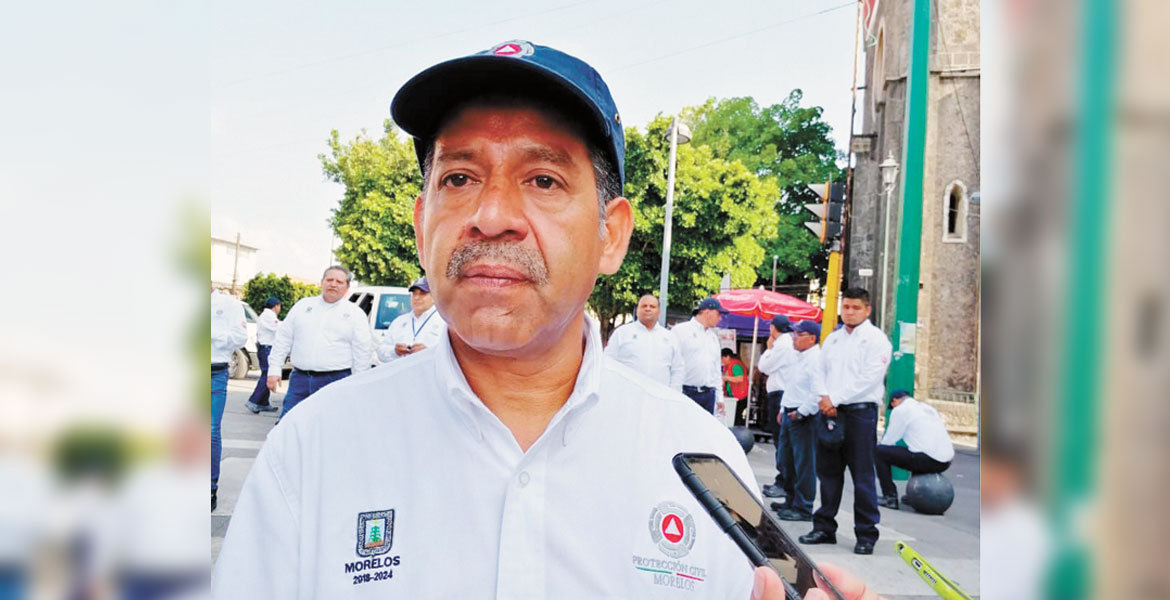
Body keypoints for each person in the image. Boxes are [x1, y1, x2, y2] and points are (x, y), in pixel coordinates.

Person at [214, 40, 775, 598]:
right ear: (422, 225)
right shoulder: (314, 447)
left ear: (612, 236)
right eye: (459, 178)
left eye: (544, 180)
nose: (492, 216)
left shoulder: (702, 462)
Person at [799, 287, 892, 555]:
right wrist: (823, 397)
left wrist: (835, 399)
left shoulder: (877, 341)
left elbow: (869, 379)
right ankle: (824, 527)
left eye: (855, 308)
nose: (849, 312)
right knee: (828, 473)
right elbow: (819, 371)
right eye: (846, 307)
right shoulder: (833, 339)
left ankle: (866, 534)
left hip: (860, 414)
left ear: (867, 310)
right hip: (830, 412)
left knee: (862, 475)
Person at [265, 266, 372, 420]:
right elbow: (283, 338)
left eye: (339, 282)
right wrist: (274, 369)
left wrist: (357, 384)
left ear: (347, 287)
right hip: (300, 381)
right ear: (322, 282)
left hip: (334, 382)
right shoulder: (302, 306)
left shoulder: (355, 314)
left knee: (328, 428)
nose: (333, 284)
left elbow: (362, 352)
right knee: (288, 426)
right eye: (329, 280)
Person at [770, 320, 825, 522]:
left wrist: (801, 412)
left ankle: (803, 506)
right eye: (793, 334)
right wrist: (783, 408)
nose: (794, 338)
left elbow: (817, 392)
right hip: (789, 411)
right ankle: (791, 498)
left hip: (803, 416)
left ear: (811, 338)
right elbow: (791, 386)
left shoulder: (816, 360)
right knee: (786, 460)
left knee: (804, 463)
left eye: (798, 335)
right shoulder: (798, 357)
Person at [874, 390, 955, 509]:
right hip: (946, 461)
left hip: (928, 460)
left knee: (879, 452)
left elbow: (889, 441)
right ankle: (914, 495)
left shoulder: (900, 410)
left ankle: (889, 497)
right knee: (915, 450)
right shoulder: (927, 408)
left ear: (894, 401)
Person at [210, 287, 246, 511]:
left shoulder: (229, 304)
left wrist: (212, 333)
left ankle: (209, 488)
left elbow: (240, 338)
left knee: (210, 431)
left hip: (213, 373)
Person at [602, 294, 684, 389]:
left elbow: (677, 369)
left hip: (659, 394)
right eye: (644, 306)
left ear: (659, 312)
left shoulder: (670, 337)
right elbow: (608, 362)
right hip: (627, 393)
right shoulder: (622, 333)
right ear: (637, 310)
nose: (648, 309)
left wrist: (673, 393)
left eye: (652, 306)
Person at [756, 314, 795, 498]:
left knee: (782, 442)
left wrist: (769, 348)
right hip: (781, 394)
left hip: (780, 395)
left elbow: (764, 366)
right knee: (782, 442)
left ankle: (785, 482)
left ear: (773, 328)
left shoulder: (781, 345)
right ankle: (783, 480)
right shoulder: (787, 342)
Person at [672, 297, 728, 414]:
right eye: (718, 314)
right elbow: (671, 362)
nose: (720, 318)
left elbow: (716, 370)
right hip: (686, 391)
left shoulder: (713, 337)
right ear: (707, 312)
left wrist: (719, 397)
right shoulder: (680, 331)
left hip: (708, 394)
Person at [376, 276, 445, 363]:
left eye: (422, 293)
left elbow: (452, 355)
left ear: (434, 296)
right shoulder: (399, 322)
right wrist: (394, 351)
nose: (416, 297)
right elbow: (381, 352)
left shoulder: (444, 321)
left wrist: (428, 352)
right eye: (414, 294)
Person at [245, 296, 281, 413]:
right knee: (268, 376)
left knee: (266, 374)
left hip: (265, 348)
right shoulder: (268, 316)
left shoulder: (266, 315)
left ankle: (263, 403)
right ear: (276, 306)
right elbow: (278, 328)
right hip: (267, 349)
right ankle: (253, 401)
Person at [721, 348, 749, 425]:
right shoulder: (727, 366)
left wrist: (726, 378)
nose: (721, 361)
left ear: (727, 357)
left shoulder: (736, 365)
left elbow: (740, 378)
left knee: (736, 419)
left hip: (740, 396)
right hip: (733, 396)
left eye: (722, 358)